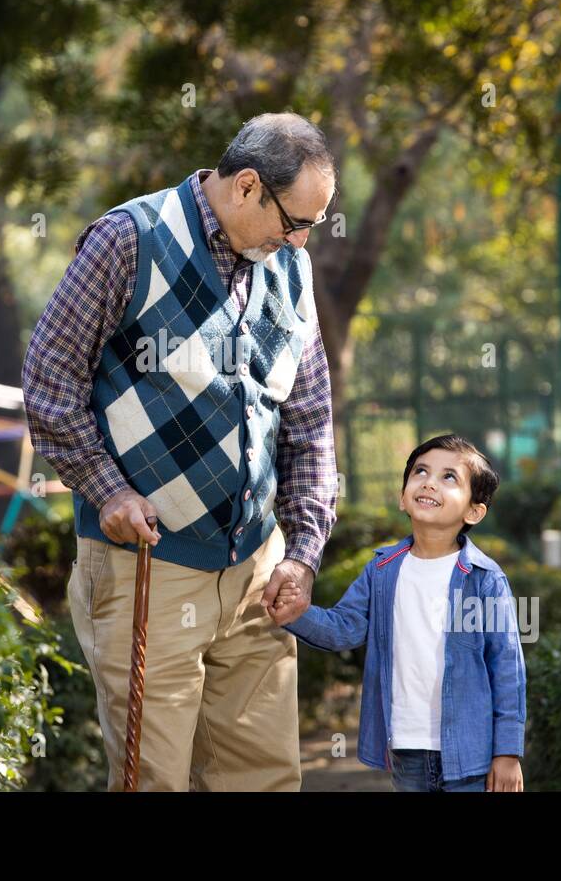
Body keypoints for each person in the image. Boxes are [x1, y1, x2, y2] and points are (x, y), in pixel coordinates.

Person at [22, 112, 340, 790]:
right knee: (154, 780)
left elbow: (310, 423)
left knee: (265, 779)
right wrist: (106, 490)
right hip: (148, 566)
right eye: (296, 220)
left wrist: (305, 553)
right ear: (247, 186)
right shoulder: (129, 240)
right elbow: (50, 382)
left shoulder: (292, 268)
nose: (302, 238)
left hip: (259, 568)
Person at [268, 434, 527, 791]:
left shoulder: (485, 580)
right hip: (407, 749)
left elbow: (507, 670)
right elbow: (345, 627)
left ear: (473, 511)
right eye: (420, 471)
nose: (429, 482)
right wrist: (296, 614)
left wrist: (508, 753)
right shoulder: (381, 571)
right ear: (403, 497)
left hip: (472, 753)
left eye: (449, 477)